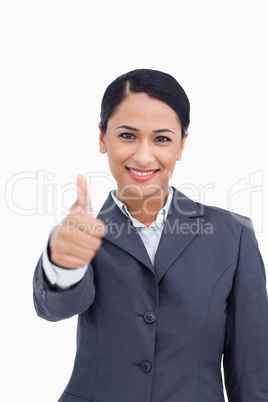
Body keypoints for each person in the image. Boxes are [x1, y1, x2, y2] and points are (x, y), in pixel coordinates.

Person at [33, 69, 268, 402]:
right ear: (102, 137)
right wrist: (62, 264)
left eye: (161, 139)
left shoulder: (233, 235)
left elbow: (253, 373)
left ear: (182, 144)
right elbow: (54, 308)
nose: (143, 156)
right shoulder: (81, 235)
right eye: (127, 135)